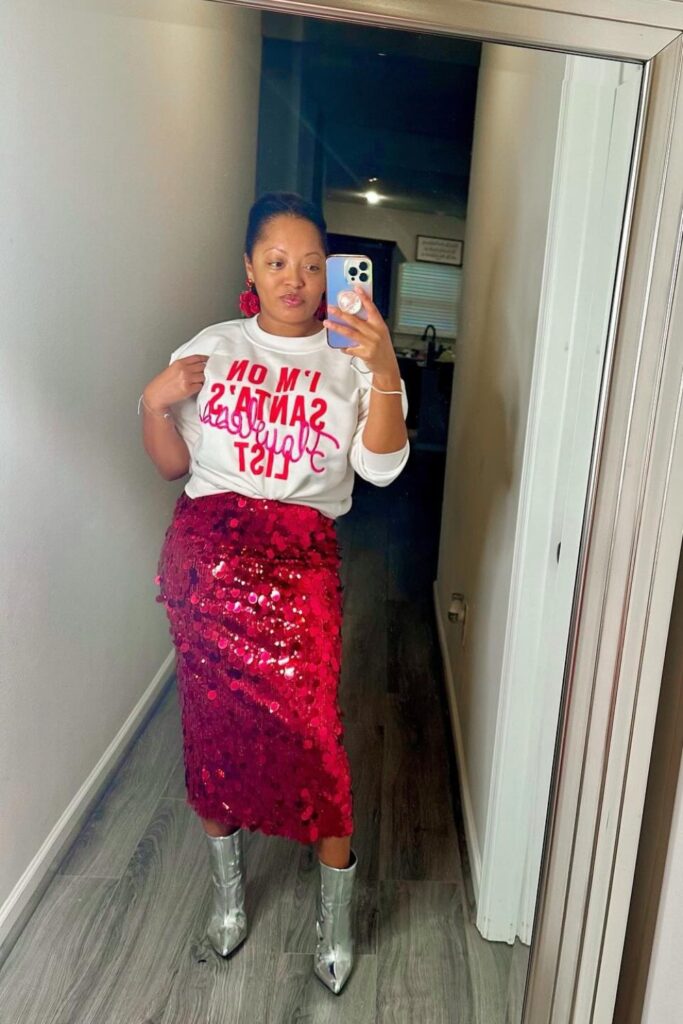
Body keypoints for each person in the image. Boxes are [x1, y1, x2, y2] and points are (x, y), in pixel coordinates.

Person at [139, 191, 409, 995]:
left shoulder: (350, 356)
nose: (295, 278)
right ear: (249, 268)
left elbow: (383, 467)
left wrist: (385, 366)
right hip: (207, 569)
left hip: (300, 574)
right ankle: (228, 900)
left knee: (316, 743)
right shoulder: (213, 347)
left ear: (331, 271)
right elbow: (170, 466)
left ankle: (334, 920)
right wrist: (152, 401)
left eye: (312, 263)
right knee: (212, 735)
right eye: (277, 261)